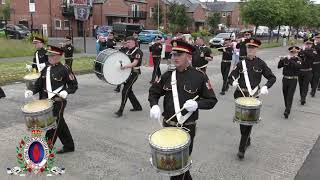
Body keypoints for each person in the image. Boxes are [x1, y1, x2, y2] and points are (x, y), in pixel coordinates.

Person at [149, 40, 218, 180]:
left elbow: (212, 100)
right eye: (173, 54)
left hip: (187, 128)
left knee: (176, 169)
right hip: (168, 126)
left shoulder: (199, 76)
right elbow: (153, 92)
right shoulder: (167, 76)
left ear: (189, 56)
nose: (175, 57)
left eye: (179, 54)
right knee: (177, 169)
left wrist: (197, 104)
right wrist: (154, 104)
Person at [24, 45, 78, 154]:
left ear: (59, 56)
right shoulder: (45, 68)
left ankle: (45, 151)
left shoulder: (65, 69)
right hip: (45, 102)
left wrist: (66, 91)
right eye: (49, 56)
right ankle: (69, 145)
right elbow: (39, 84)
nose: (49, 58)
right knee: (59, 123)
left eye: (52, 56)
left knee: (52, 125)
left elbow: (74, 85)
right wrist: (32, 91)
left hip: (58, 101)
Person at [228, 38, 276, 160]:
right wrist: (232, 81)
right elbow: (232, 76)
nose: (251, 50)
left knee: (248, 123)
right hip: (240, 95)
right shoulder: (241, 63)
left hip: (253, 96)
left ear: (257, 49)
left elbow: (272, 77)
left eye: (253, 48)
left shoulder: (261, 63)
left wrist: (266, 86)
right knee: (241, 121)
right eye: (249, 47)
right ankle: (247, 138)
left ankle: (241, 148)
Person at [114, 36, 143, 117]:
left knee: (125, 91)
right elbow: (120, 56)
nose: (127, 43)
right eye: (127, 42)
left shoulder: (138, 51)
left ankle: (120, 110)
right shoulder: (127, 50)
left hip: (134, 72)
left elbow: (135, 63)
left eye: (129, 42)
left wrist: (125, 67)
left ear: (134, 42)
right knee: (129, 91)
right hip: (126, 73)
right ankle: (137, 106)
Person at [278, 46, 302, 118]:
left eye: (295, 52)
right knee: (285, 94)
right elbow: (279, 66)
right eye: (291, 52)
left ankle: (287, 110)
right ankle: (287, 107)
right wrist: (281, 60)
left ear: (297, 53)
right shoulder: (286, 59)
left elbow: (297, 66)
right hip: (285, 79)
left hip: (293, 80)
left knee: (290, 95)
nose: (293, 54)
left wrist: (290, 59)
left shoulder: (299, 59)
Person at [298, 38, 315, 105]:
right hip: (300, 71)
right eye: (306, 44)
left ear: (311, 45)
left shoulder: (313, 51)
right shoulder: (301, 51)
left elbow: (312, 56)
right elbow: (297, 56)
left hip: (308, 71)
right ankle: (302, 96)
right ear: (304, 44)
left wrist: (303, 50)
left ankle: (303, 98)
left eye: (309, 44)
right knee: (301, 85)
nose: (308, 45)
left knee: (305, 85)